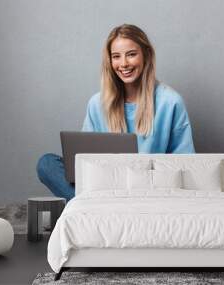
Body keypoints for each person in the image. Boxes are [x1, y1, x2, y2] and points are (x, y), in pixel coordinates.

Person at [37, 24, 195, 201]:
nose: (124, 64)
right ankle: (106, 206)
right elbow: (84, 162)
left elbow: (185, 163)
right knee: (47, 164)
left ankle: (99, 209)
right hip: (105, 187)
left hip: (149, 190)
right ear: (110, 62)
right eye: (116, 57)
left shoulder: (170, 102)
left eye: (131, 54)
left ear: (146, 55)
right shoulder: (97, 103)